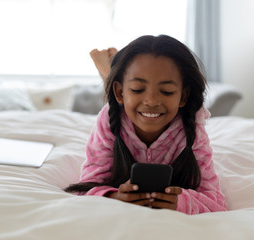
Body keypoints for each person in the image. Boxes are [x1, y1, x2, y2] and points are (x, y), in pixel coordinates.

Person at [65, 35, 227, 215]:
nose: (151, 101)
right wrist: (114, 197)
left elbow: (216, 202)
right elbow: (85, 188)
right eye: (137, 89)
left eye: (166, 91)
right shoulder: (109, 120)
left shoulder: (192, 125)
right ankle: (111, 78)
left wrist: (180, 202)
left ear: (183, 96)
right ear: (119, 92)